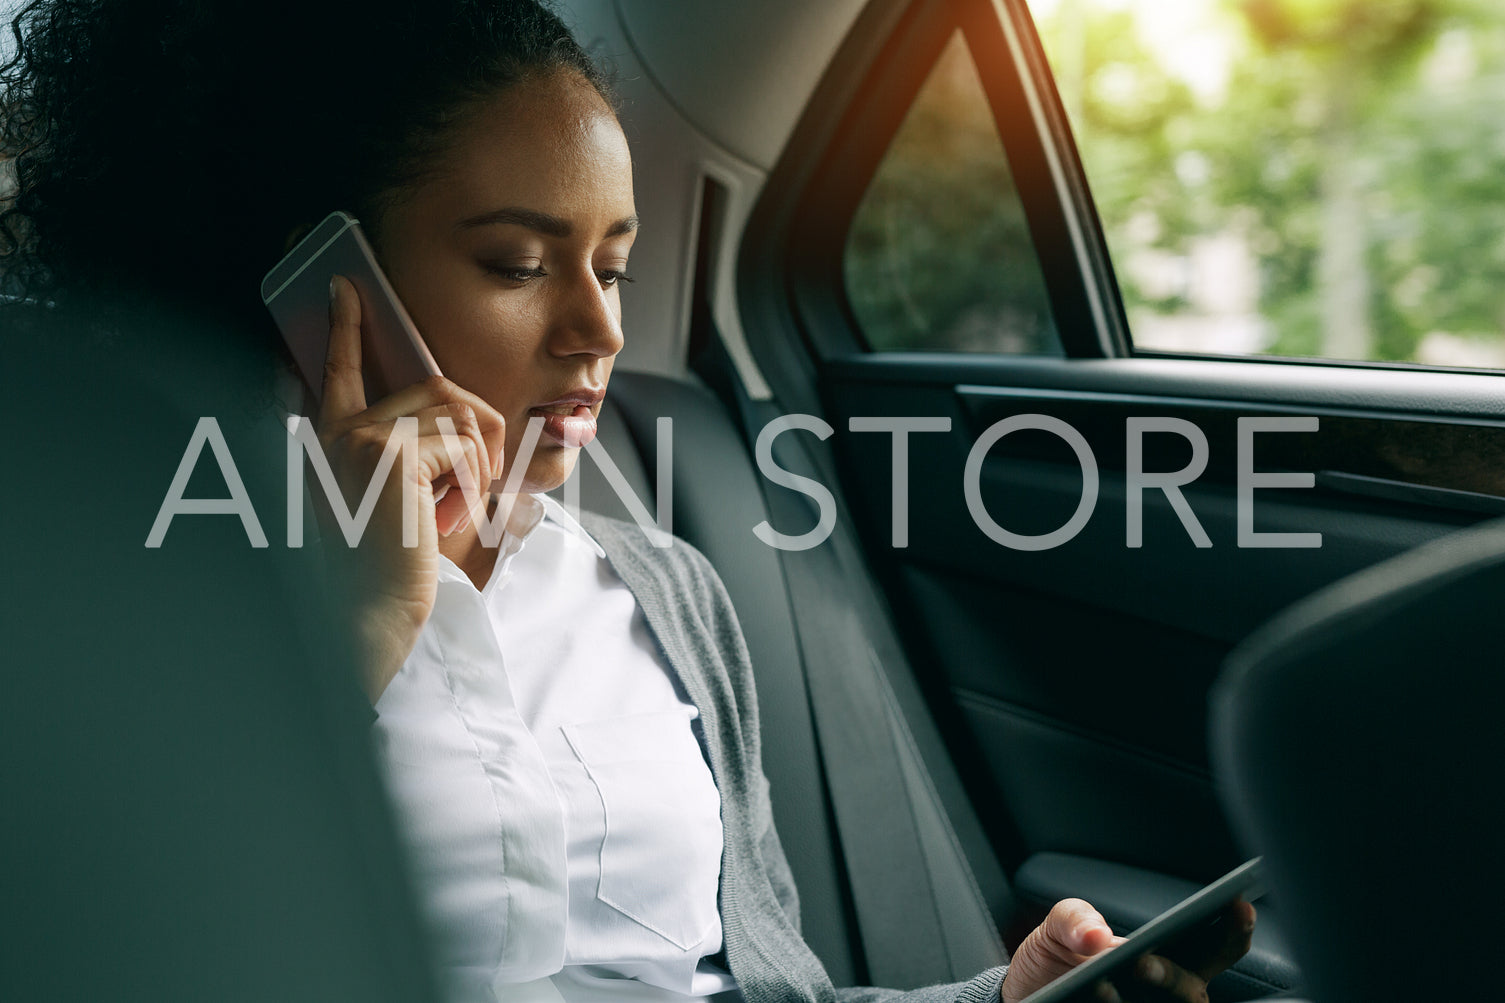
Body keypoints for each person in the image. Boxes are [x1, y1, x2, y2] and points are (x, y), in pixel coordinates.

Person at [0, 2, 1253, 1002]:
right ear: (311, 279)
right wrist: (362, 624)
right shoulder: (108, 592)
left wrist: (998, 1000)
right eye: (517, 265)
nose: (597, 330)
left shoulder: (664, 590)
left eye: (613, 266)